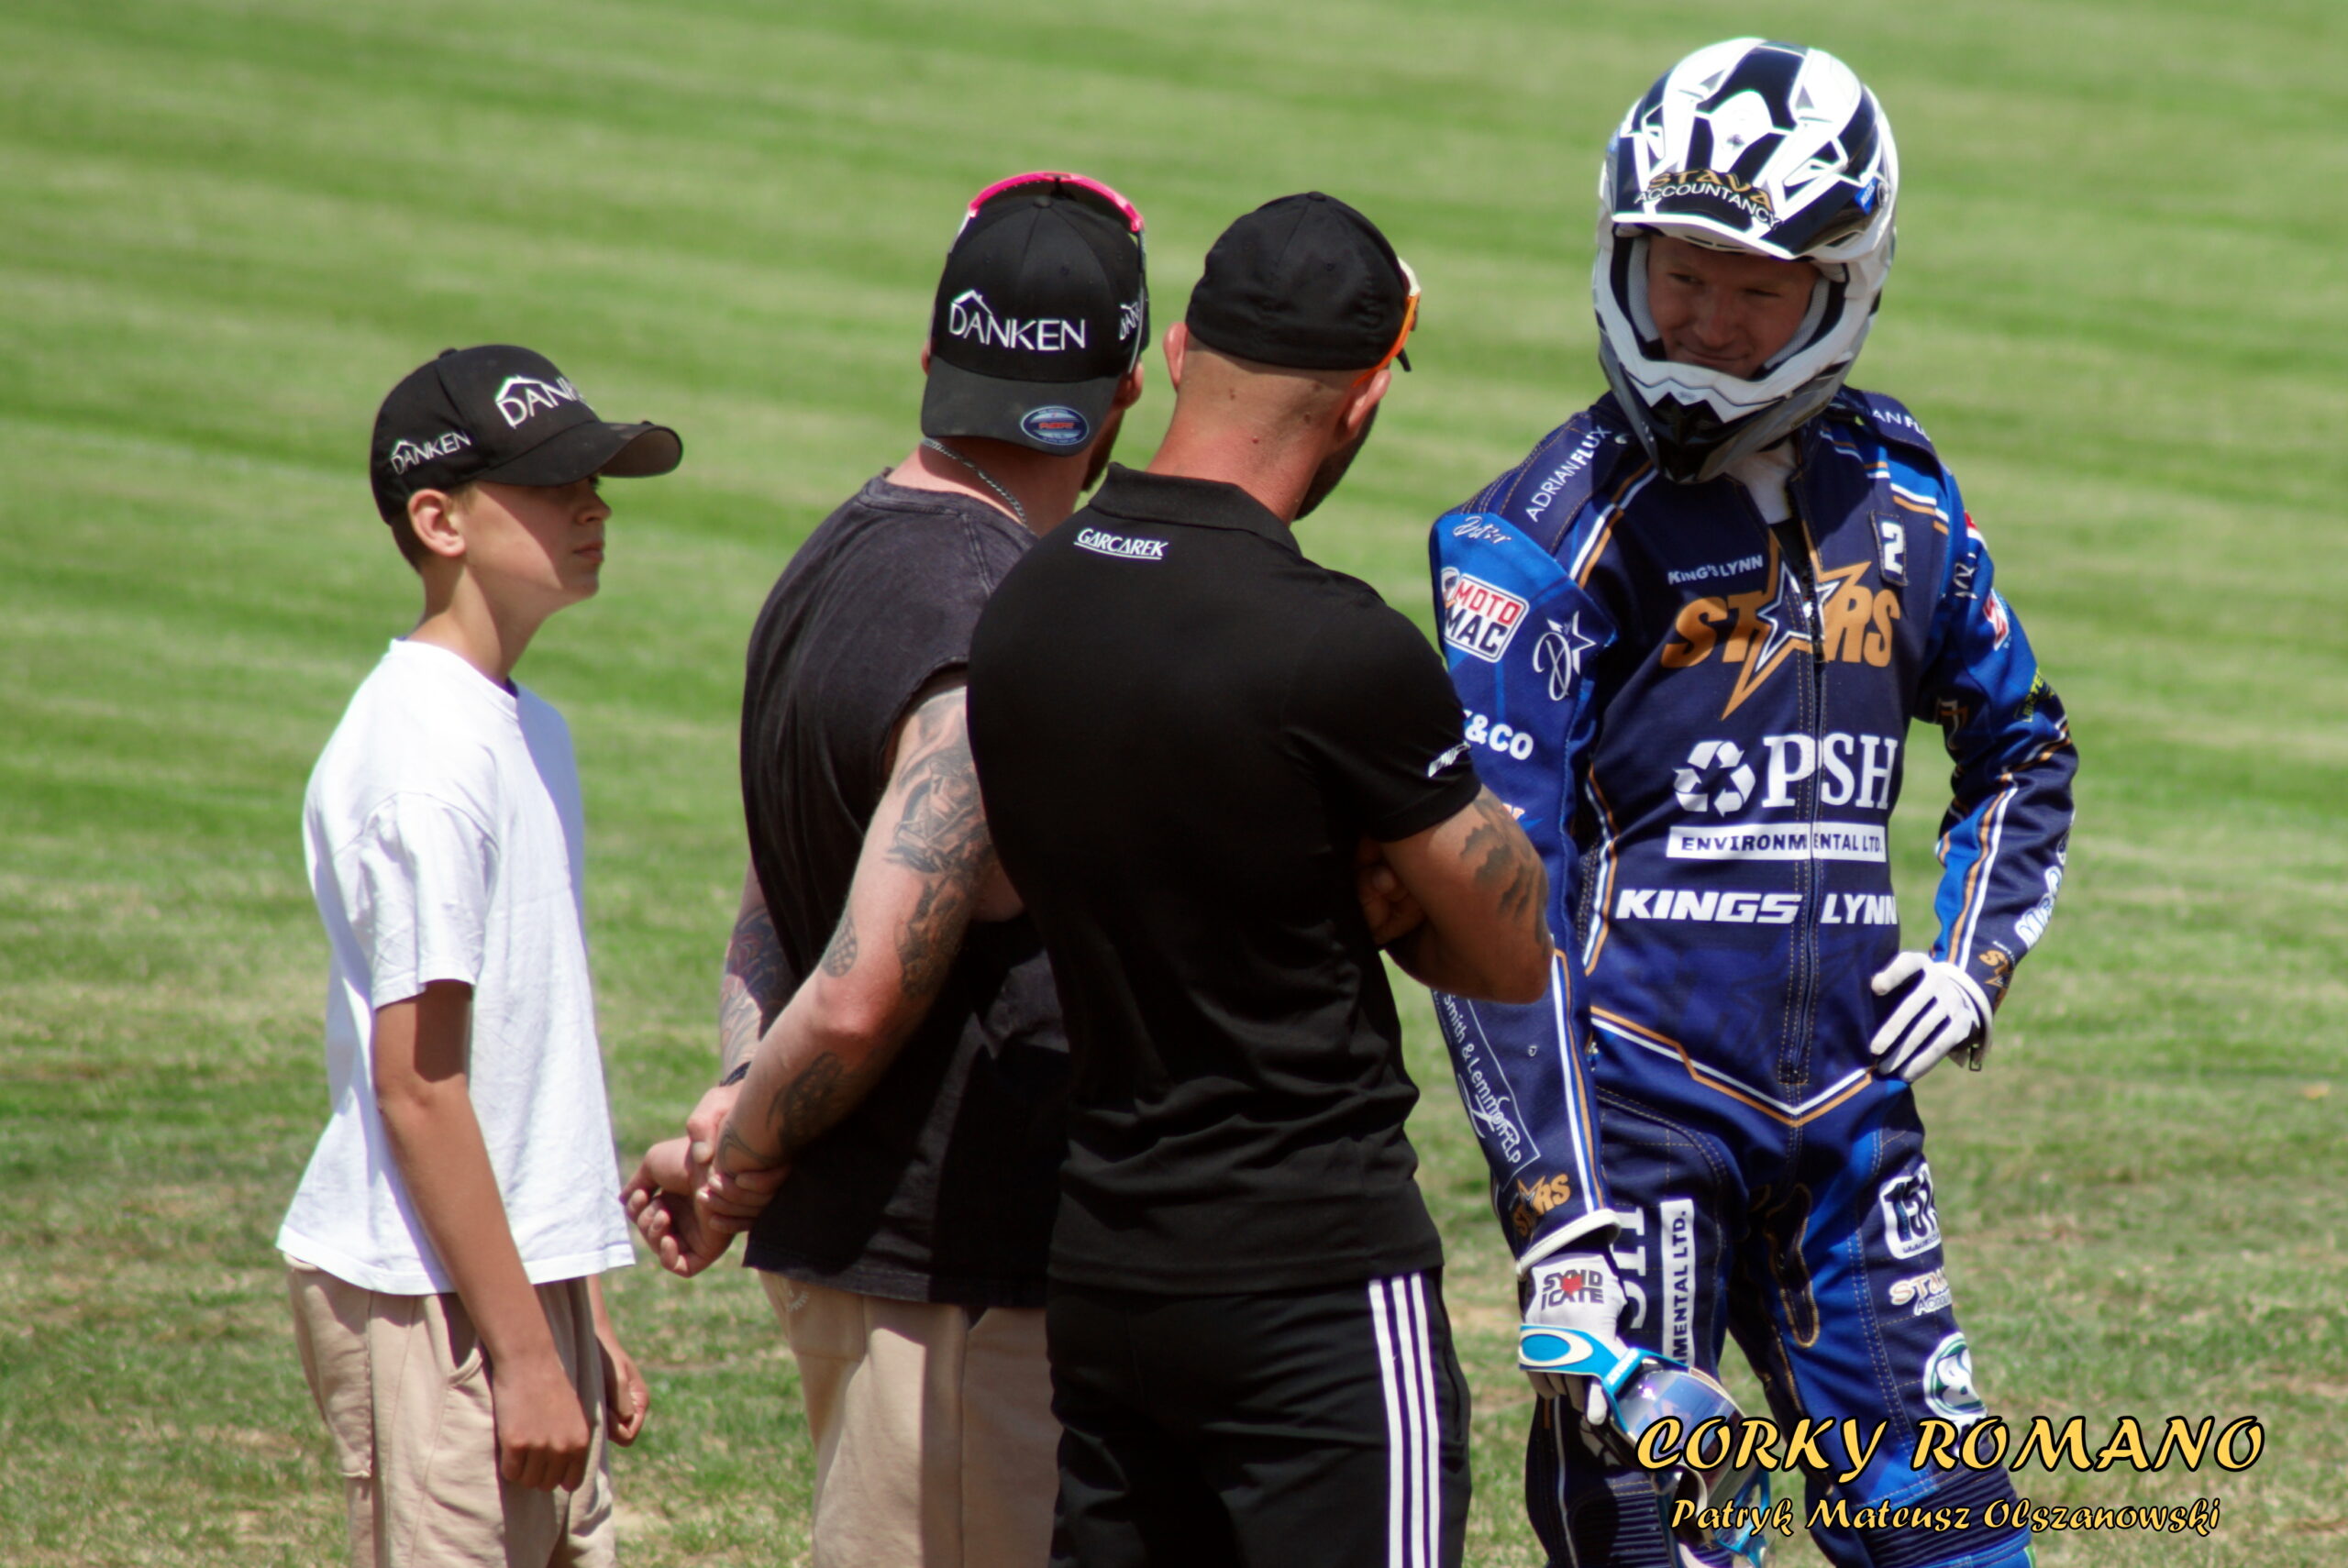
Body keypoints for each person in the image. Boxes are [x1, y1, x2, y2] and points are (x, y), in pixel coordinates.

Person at [1425, 39, 2078, 1568]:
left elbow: (2025, 747)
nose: (1707, 322)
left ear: (1843, 291)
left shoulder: (1908, 502)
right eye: (1681, 276)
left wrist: (1972, 960)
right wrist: (1557, 1211)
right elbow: (1484, 893)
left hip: (1854, 1125)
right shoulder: (1544, 535)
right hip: (1635, 1128)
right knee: (1662, 1544)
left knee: (1954, 1537)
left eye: (1754, 290)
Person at [964, 192, 1556, 1568]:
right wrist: (1377, 887)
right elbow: (1512, 948)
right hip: (1314, 1292)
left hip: (1106, 1272)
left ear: (1179, 350)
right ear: (1362, 402)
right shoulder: (1340, 653)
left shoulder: (1025, 607)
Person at [622, 172, 1150, 1568]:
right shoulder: (990, 623)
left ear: (933, 358)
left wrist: (740, 1096)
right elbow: (861, 988)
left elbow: (774, 898)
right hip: (952, 1301)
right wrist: (740, 1158)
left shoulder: (833, 558)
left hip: (880, 1269)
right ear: (1122, 395)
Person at [277, 345, 682, 1566]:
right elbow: (419, 1083)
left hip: (510, 1273)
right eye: (555, 485)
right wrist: (520, 1352)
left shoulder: (524, 726)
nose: (594, 507)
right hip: (430, 1294)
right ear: (438, 520)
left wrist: (577, 1310)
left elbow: (529, 1055)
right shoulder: (427, 758)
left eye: (594, 481)